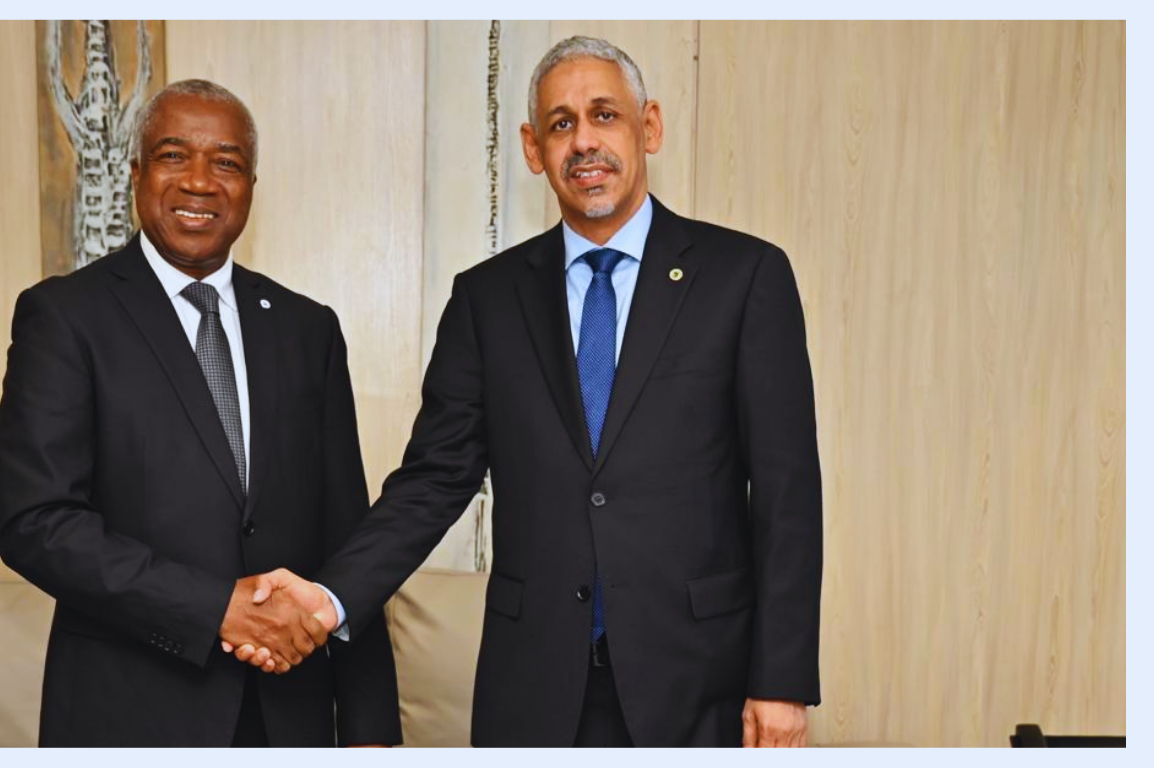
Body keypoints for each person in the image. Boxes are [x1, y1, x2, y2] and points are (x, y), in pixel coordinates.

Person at [244, 37, 823, 747]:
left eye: (604, 115)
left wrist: (781, 680)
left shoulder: (744, 277)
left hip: (701, 682)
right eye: (560, 123)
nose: (584, 141)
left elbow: (788, 495)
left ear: (649, 127)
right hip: (536, 690)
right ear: (532, 147)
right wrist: (328, 598)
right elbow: (434, 481)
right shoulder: (487, 299)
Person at [0, 79, 401, 748]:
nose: (200, 182)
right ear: (136, 173)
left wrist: (369, 730)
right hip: (127, 717)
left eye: (226, 162)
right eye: (174, 155)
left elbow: (347, 540)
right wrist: (216, 611)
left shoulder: (308, 330)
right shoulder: (65, 317)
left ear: (251, 186)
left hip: (288, 720)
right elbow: (36, 523)